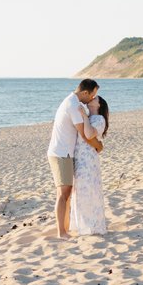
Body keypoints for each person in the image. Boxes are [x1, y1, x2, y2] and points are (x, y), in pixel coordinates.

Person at [46, 78, 102, 238]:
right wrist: (99, 146)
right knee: (63, 193)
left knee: (66, 192)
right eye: (92, 95)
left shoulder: (72, 102)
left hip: (65, 153)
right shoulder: (73, 105)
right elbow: (85, 135)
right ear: (85, 92)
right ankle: (61, 232)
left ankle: (64, 229)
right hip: (60, 153)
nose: (92, 98)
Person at [70, 95, 109, 235]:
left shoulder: (99, 119)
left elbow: (89, 134)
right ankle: (82, 224)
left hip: (88, 160)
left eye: (96, 98)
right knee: (80, 190)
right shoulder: (87, 116)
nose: (92, 98)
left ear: (99, 105)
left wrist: (84, 117)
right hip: (80, 158)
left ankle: (91, 226)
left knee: (88, 189)